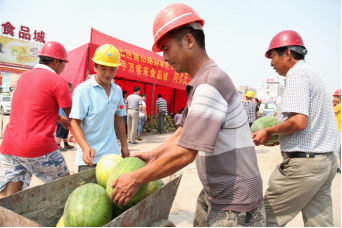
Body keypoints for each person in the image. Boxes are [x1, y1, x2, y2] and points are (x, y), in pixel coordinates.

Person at [109, 3, 265, 227]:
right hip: (217, 191)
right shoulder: (202, 81)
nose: (164, 57)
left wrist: (136, 178)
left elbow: (185, 153)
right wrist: (155, 154)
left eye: (166, 48)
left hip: (234, 199)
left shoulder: (210, 83)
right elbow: (182, 133)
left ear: (189, 41)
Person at [252, 30, 338, 227]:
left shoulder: (297, 74)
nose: (271, 63)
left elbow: (299, 122)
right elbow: (307, 126)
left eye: (273, 56)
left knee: (264, 219)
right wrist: (278, 138)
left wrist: (270, 131)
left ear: (288, 53)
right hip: (325, 161)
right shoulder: (313, 74)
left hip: (305, 165)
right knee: (320, 223)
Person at [0, 41, 72, 198]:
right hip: (38, 148)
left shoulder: (24, 77)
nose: (63, 67)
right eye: (63, 63)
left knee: (8, 196)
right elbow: (73, 116)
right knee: (67, 188)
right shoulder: (58, 81)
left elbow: (31, 106)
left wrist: (58, 118)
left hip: (10, 146)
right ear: (56, 61)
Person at [70, 44, 129, 172]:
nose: (108, 74)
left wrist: (124, 146)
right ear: (95, 67)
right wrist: (85, 147)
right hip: (90, 157)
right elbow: (75, 122)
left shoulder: (117, 90)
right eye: (103, 68)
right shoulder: (83, 90)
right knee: (91, 191)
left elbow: (119, 119)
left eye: (112, 69)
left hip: (112, 156)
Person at [56, 82, 75, 151]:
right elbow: (64, 108)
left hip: (63, 116)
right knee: (60, 131)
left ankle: (66, 144)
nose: (72, 89)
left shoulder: (65, 96)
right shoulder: (64, 96)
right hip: (62, 117)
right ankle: (57, 145)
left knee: (65, 131)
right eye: (71, 88)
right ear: (68, 88)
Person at [332, 89, 341, 173]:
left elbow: (330, 112)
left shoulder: (339, 106)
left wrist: (331, 103)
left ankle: (333, 168)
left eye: (335, 96)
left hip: (338, 130)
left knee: (335, 150)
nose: (334, 98)